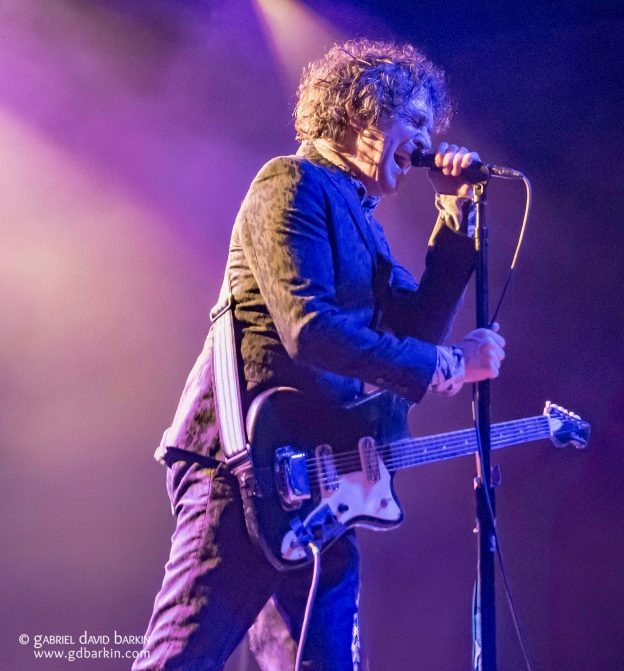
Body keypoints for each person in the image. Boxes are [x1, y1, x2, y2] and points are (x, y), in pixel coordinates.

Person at [134, 39, 506, 671]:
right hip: (242, 462)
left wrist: (454, 213)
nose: (426, 140)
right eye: (414, 120)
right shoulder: (290, 182)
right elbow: (308, 329)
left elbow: (415, 328)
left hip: (317, 478)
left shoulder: (363, 223)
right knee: (181, 658)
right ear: (363, 111)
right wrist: (447, 366)